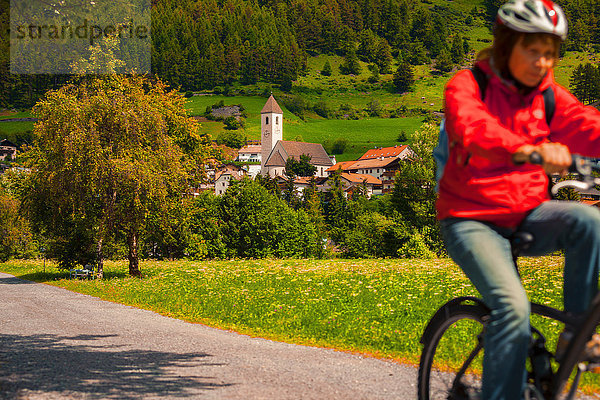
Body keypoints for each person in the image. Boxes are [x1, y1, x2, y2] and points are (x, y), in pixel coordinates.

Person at [437, 0, 600, 399]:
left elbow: (585, 125)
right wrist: (529, 150)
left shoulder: (548, 97)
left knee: (589, 222)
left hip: (527, 212)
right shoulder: (468, 85)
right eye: (533, 50)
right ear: (507, 45)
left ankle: (574, 333)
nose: (542, 62)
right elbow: (472, 129)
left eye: (550, 54)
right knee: (512, 309)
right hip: (470, 219)